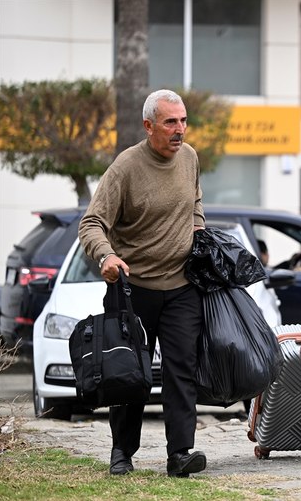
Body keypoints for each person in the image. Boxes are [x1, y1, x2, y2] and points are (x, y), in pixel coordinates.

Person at [79, 89, 207, 478]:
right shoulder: (125, 167)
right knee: (129, 372)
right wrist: (107, 256)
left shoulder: (190, 158)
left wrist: (199, 232)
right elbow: (92, 223)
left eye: (183, 121)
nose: (180, 130)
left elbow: (196, 202)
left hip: (182, 286)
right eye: (171, 122)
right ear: (148, 125)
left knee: (181, 369)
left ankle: (180, 454)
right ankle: (122, 453)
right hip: (133, 291)